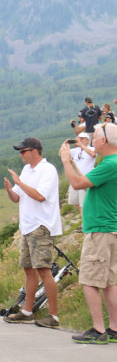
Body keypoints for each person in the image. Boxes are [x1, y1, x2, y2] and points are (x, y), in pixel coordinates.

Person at [59, 123, 117, 344]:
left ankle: (98, 329)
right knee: (109, 282)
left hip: (100, 230)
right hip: (110, 229)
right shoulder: (112, 164)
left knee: (90, 281)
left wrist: (65, 160)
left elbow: (76, 183)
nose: (93, 141)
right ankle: (113, 328)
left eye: (96, 138)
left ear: (104, 141)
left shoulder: (109, 165)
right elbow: (88, 184)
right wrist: (74, 162)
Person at [3, 137, 62, 328]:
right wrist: (11, 190)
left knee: (44, 270)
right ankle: (27, 312)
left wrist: (19, 182)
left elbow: (39, 195)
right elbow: (17, 198)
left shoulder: (48, 170)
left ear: (34, 151)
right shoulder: (26, 170)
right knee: (29, 269)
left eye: (23, 151)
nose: (21, 155)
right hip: (27, 226)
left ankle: (53, 316)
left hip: (41, 225)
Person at [67, 133, 96, 215]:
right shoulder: (75, 151)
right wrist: (65, 146)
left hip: (86, 179)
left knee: (84, 202)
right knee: (76, 201)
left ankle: (85, 220)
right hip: (76, 179)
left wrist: (81, 145)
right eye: (79, 138)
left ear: (87, 140)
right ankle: (83, 218)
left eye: (82, 139)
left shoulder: (92, 149)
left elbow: (93, 155)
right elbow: (62, 154)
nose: (80, 140)